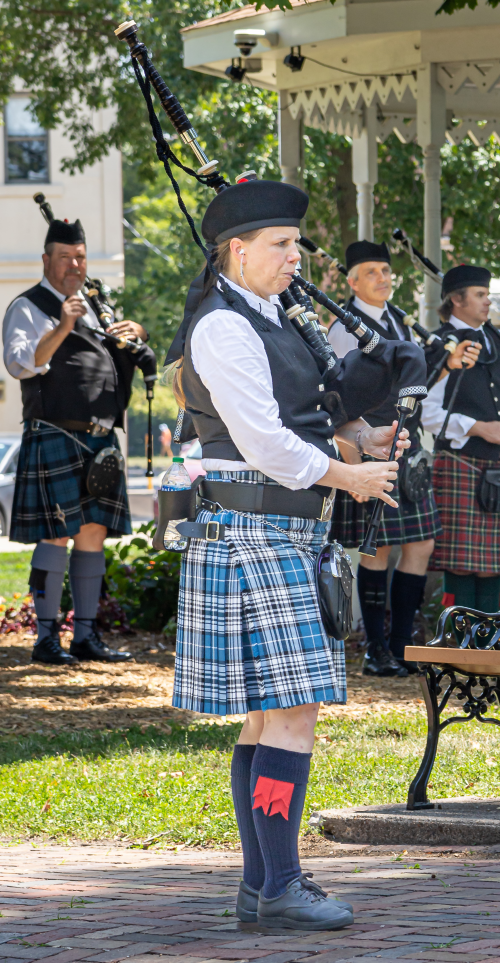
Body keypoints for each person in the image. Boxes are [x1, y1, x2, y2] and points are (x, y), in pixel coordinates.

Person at [164, 180, 426, 930]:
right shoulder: (221, 328)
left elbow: (302, 424)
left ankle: (263, 885)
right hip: (254, 531)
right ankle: (279, 884)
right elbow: (264, 442)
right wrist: (348, 474)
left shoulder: (271, 317)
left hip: (283, 533)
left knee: (266, 717)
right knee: (291, 714)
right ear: (236, 252)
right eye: (280, 246)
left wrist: (365, 443)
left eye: (295, 244)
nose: (294, 257)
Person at [2, 215, 156, 665]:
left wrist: (136, 333)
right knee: (56, 536)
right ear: (47, 259)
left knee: (92, 534)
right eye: (65, 257)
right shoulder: (28, 307)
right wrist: (63, 327)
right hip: (55, 434)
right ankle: (46, 638)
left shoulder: (94, 304)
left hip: (100, 439)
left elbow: (114, 350)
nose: (74, 265)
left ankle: (85, 636)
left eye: (81, 258)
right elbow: (21, 364)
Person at [328, 241, 478, 675]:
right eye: (371, 272)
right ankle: (376, 650)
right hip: (369, 446)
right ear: (352, 281)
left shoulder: (398, 320)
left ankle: (400, 645)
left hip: (406, 448)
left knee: (421, 544)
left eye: (386, 270)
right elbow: (338, 395)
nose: (383, 277)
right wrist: (354, 460)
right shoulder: (344, 326)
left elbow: (417, 383)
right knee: (378, 550)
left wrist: (446, 365)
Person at [421, 264, 500, 610]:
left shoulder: (496, 339)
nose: (487, 302)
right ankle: (458, 646)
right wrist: (477, 427)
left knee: (493, 566)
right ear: (456, 299)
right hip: (460, 464)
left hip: (495, 467)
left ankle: (489, 652)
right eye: (480, 295)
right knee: (462, 563)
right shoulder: (437, 345)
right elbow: (424, 411)